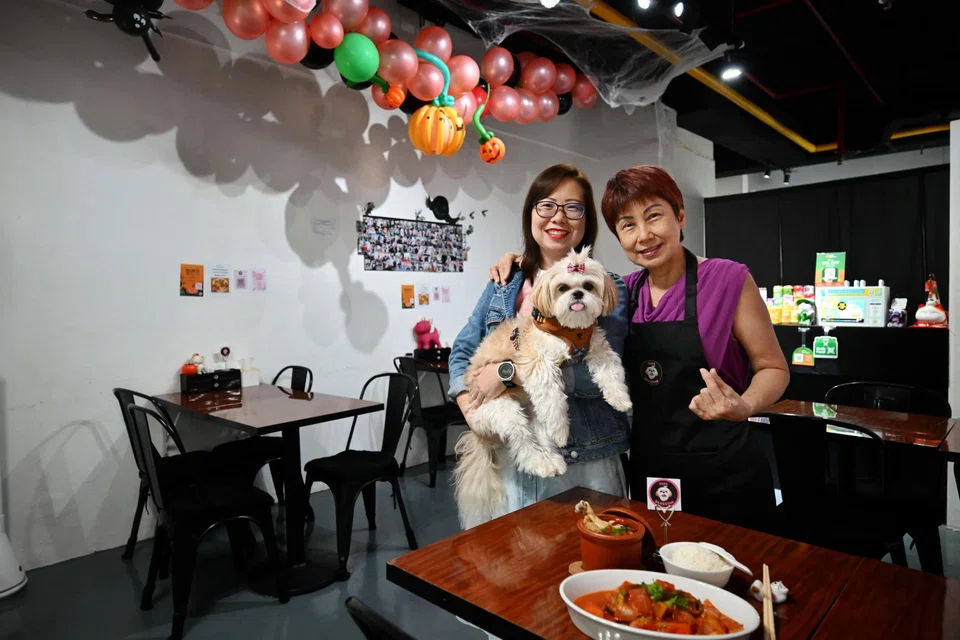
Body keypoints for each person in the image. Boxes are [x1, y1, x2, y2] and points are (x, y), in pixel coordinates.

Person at [490, 165, 788, 531]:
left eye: (654, 216)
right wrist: (520, 263)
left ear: (680, 215)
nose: (644, 235)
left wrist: (745, 406)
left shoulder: (728, 280)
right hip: (651, 469)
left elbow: (773, 367)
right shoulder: (622, 293)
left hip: (724, 468)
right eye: (628, 225)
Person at [448, 163, 632, 522]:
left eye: (572, 207)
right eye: (546, 205)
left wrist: (506, 373)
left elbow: (600, 376)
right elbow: (463, 351)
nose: (558, 217)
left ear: (586, 220)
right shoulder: (505, 281)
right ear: (531, 212)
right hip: (513, 458)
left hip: (584, 460)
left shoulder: (607, 285)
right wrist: (470, 408)